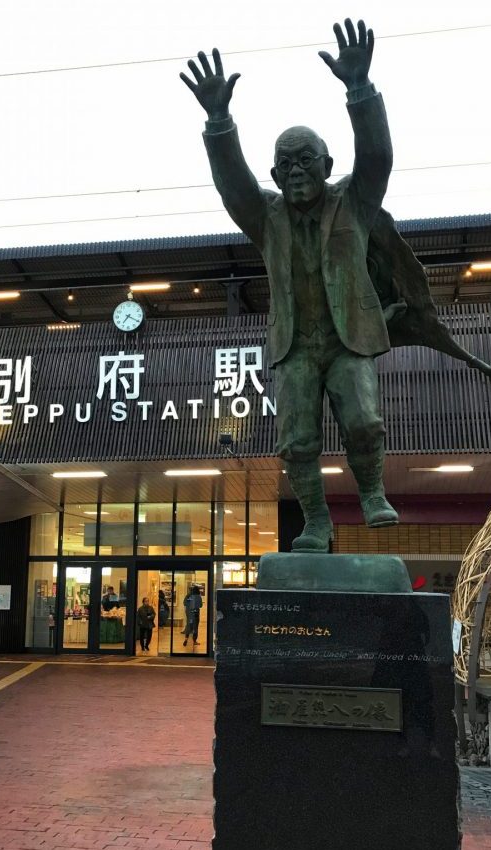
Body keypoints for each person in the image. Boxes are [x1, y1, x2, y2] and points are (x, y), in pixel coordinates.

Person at [182, 18, 397, 551]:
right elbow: (233, 184)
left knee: (365, 421)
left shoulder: (355, 201)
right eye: (285, 163)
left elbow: (377, 157)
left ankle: (372, 494)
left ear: (327, 165)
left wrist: (359, 89)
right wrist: (218, 121)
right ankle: (317, 523)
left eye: (306, 160)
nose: (295, 169)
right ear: (274, 176)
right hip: (296, 345)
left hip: (348, 338)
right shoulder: (266, 217)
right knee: (297, 442)